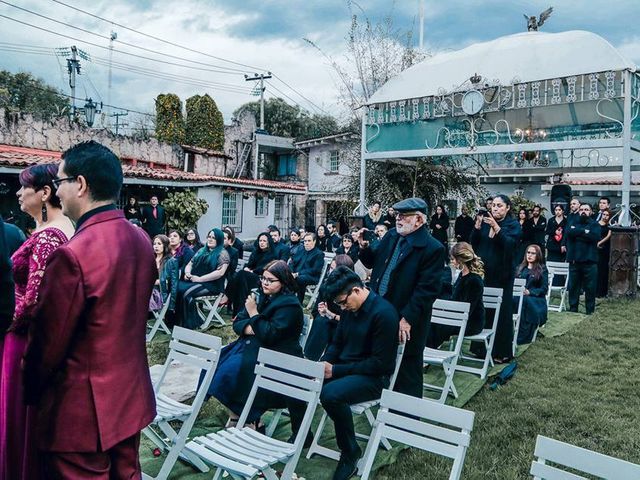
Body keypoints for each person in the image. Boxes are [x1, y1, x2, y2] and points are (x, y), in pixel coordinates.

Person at [23, 141, 157, 478]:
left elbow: (49, 343)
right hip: (129, 396)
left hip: (80, 411)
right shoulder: (140, 239)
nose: (57, 191)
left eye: (60, 182)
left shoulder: (73, 254)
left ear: (80, 185)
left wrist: (28, 386)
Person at [0, 164, 75, 480]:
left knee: (19, 419)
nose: (18, 193)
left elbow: (33, 300)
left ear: (45, 193)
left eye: (24, 187)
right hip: (35, 337)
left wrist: (7, 326)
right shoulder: (60, 227)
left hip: (24, 339)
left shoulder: (48, 236)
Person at [358, 197, 445, 398]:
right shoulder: (391, 236)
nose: (398, 219)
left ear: (419, 220)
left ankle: (406, 419)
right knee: (379, 358)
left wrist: (407, 318)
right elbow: (372, 262)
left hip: (406, 317)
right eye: (397, 215)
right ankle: (383, 404)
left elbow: (427, 290)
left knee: (407, 368)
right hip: (379, 309)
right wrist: (363, 247)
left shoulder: (433, 248)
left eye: (404, 216)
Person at [206, 260, 306, 432]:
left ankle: (248, 419)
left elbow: (270, 334)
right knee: (210, 366)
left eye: (270, 280)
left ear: (283, 281)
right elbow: (238, 322)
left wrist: (253, 313)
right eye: (263, 278)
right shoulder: (261, 295)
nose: (264, 283)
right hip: (250, 346)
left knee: (230, 372)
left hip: (274, 354)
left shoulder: (290, 305)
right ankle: (238, 416)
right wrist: (251, 326)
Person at [319, 267, 399, 480]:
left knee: (330, 394)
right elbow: (337, 343)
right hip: (348, 369)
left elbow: (379, 364)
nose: (342, 308)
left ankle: (350, 451)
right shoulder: (348, 310)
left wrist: (335, 370)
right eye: (339, 305)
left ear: (356, 290)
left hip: (374, 378)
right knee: (303, 380)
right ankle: (300, 436)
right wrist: (325, 363)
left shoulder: (384, 314)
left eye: (343, 302)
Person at [470, 194, 521, 363]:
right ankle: (480, 349)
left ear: (507, 208)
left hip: (502, 274)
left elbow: (510, 245)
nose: (495, 208)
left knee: (502, 312)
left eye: (500, 206)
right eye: (494, 206)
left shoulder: (512, 225)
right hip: (485, 272)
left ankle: (501, 352)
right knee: (484, 308)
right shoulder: (485, 223)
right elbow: (474, 244)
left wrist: (497, 228)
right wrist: (477, 227)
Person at [426, 242, 485, 348]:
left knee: (436, 325)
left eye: (453, 259)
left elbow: (469, 308)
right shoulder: (462, 275)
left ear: (460, 260)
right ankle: (428, 351)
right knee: (430, 322)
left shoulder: (475, 280)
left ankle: (430, 351)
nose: (451, 262)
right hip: (458, 316)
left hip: (471, 322)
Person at [304, 254, 355, 361]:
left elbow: (352, 321)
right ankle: (309, 358)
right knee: (321, 321)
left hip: (345, 326)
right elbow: (315, 312)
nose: (331, 272)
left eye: (334, 269)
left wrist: (331, 315)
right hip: (327, 322)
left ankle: (325, 361)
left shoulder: (353, 292)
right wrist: (322, 311)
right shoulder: (326, 287)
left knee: (329, 326)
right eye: (331, 268)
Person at [175, 228, 229, 329]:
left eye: (214, 238)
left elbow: (220, 273)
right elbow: (190, 264)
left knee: (186, 293)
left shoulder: (223, 253)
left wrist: (200, 279)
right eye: (209, 237)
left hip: (212, 285)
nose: (210, 239)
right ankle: (177, 321)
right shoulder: (201, 250)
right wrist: (187, 273)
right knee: (177, 288)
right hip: (196, 281)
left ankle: (189, 324)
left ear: (219, 240)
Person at [224, 232, 276, 316]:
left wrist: (252, 271)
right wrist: (247, 268)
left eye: (264, 241)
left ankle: (227, 297)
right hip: (249, 277)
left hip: (261, 279)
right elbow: (249, 264)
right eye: (260, 241)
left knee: (240, 275)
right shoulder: (256, 252)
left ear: (269, 242)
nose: (262, 243)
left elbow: (265, 269)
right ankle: (238, 313)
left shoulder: (272, 254)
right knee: (240, 280)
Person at [566, 203, 601, 314]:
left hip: (589, 262)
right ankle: (573, 309)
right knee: (573, 287)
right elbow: (569, 233)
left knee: (590, 288)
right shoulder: (572, 222)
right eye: (581, 209)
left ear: (591, 212)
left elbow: (594, 237)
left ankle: (590, 311)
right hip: (574, 261)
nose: (583, 211)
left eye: (586, 209)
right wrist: (584, 232)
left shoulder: (595, 225)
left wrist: (578, 233)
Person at [516, 244, 549, 344]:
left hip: (535, 299)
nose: (530, 255)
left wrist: (530, 292)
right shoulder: (520, 268)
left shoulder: (542, 269)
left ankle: (523, 336)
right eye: (528, 252)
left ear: (538, 255)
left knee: (525, 302)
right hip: (518, 297)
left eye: (533, 253)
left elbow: (544, 289)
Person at [289, 232, 325, 302]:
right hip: (296, 275)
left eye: (309, 241)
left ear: (314, 242)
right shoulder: (301, 250)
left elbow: (315, 270)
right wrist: (291, 272)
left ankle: (298, 302)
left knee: (300, 279)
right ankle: (288, 299)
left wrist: (297, 274)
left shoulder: (319, 254)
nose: (306, 243)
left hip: (311, 277)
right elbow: (292, 262)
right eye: (305, 241)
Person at [150, 234, 179, 314]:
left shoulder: (171, 261)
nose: (156, 246)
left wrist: (172, 305)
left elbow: (173, 284)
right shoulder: (151, 259)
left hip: (161, 293)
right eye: (154, 244)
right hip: (149, 289)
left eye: (159, 244)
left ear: (165, 245)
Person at [597, 209, 612, 297]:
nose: (605, 216)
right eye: (604, 214)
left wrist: (600, 242)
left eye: (607, 215)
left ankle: (602, 292)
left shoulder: (609, 225)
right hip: (596, 248)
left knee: (603, 270)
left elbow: (609, 235)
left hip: (604, 248)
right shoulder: (596, 224)